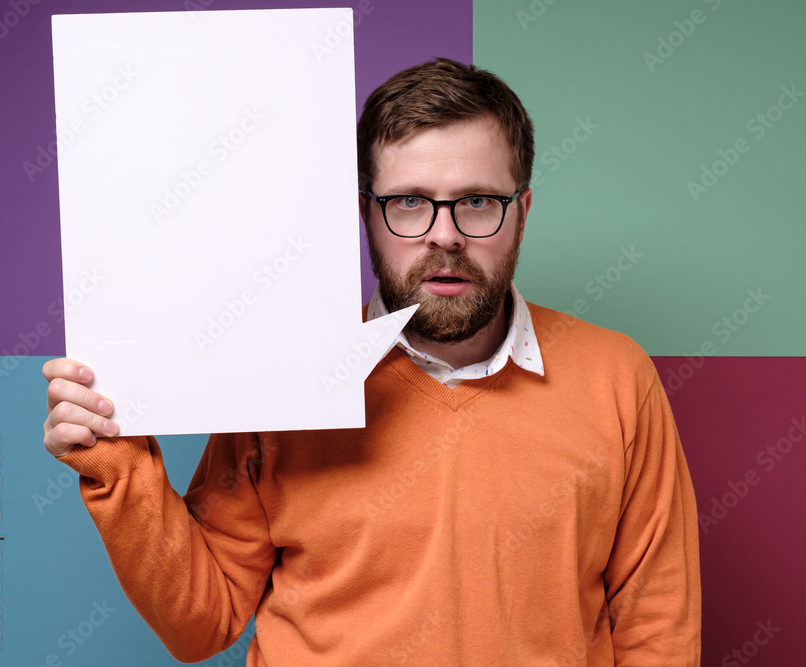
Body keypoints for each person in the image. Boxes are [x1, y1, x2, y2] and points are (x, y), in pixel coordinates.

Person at [43, 58, 701, 665]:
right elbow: (200, 622)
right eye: (409, 201)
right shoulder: (286, 375)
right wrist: (115, 452)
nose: (444, 234)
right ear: (364, 215)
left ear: (521, 213)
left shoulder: (616, 378)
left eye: (477, 201)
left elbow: (657, 630)